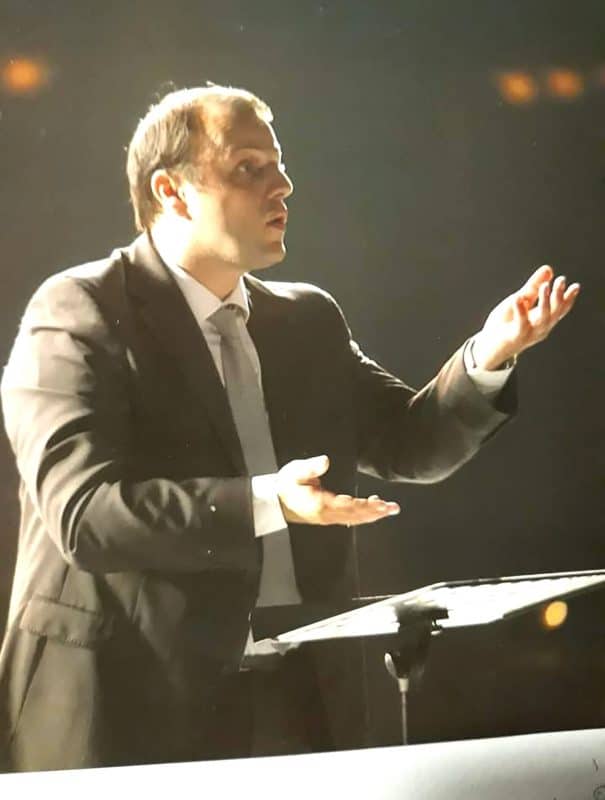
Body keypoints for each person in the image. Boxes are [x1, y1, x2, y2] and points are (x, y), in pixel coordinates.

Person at [0, 84, 579, 772]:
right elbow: (85, 515)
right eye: (249, 168)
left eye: (279, 165)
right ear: (171, 191)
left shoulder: (306, 320)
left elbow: (409, 444)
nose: (283, 186)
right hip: (127, 708)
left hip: (297, 701)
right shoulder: (79, 309)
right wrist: (269, 500)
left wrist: (488, 354)